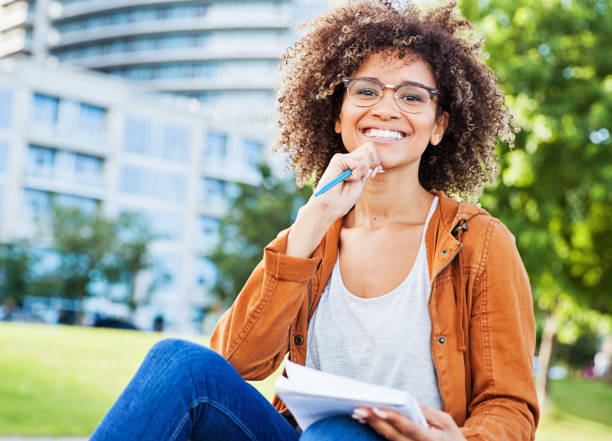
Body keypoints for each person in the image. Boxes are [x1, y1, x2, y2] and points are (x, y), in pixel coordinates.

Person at [90, 1, 538, 440]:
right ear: (338, 115)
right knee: (180, 364)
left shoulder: (480, 242)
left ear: (438, 126)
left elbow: (511, 405)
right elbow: (235, 361)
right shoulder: (312, 235)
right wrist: (315, 217)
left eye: (411, 96)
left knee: (340, 431)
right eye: (366, 91)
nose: (386, 108)